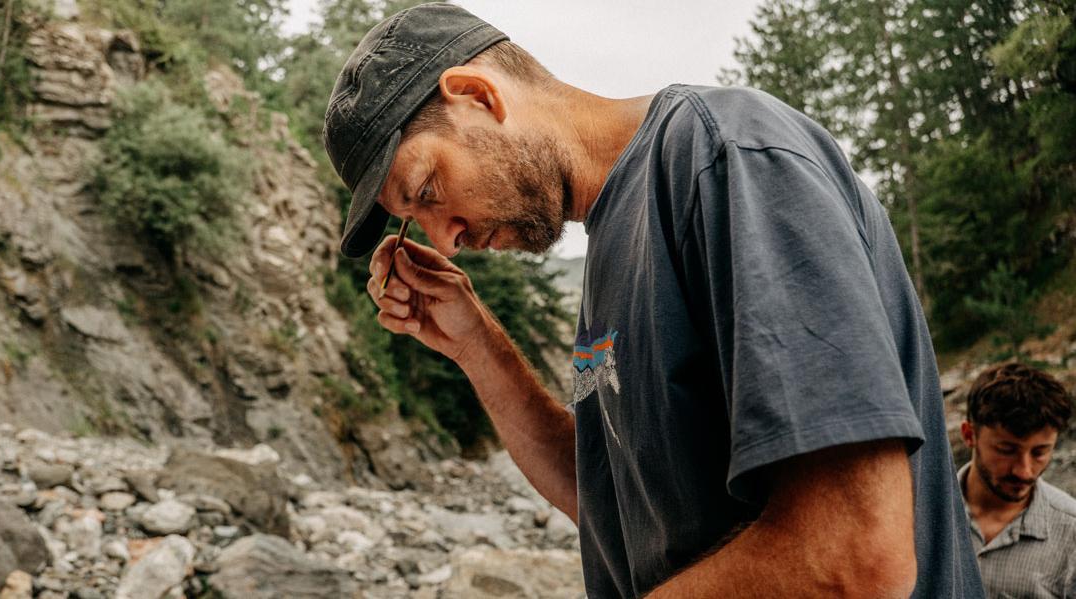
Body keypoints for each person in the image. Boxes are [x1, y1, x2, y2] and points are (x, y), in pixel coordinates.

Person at [321, 4, 984, 597]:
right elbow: (617, 505)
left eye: (427, 191)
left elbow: (853, 556)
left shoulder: (722, 155)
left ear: (474, 95)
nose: (445, 239)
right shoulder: (614, 235)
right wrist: (474, 344)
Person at [959, 362, 1076, 598]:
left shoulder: (1071, 532)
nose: (1024, 471)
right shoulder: (915, 512)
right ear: (969, 435)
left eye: (1039, 452)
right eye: (1006, 450)